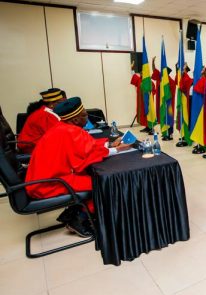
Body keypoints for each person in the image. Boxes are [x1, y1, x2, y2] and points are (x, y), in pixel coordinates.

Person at [25, 97, 132, 237]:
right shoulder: (71, 131)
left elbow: (86, 146)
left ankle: (73, 211)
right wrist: (117, 150)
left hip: (40, 180)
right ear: (75, 120)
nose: (87, 117)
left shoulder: (61, 127)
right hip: (49, 184)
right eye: (85, 114)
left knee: (91, 176)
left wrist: (110, 144)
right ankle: (79, 218)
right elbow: (84, 158)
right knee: (104, 182)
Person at [18, 88, 66, 154]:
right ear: (51, 103)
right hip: (32, 148)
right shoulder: (45, 115)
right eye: (60, 103)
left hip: (36, 145)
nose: (62, 105)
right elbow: (57, 134)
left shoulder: (44, 112)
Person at [152, 56, 176, 140]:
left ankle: (170, 134)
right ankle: (165, 132)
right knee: (163, 117)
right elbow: (155, 72)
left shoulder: (171, 81)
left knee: (169, 117)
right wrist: (153, 63)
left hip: (169, 104)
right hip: (162, 103)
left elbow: (171, 94)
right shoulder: (160, 79)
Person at [130, 61, 152, 133]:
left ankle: (150, 128)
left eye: (142, 73)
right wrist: (131, 68)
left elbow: (152, 90)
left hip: (147, 101)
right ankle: (146, 127)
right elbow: (134, 76)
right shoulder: (139, 79)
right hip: (141, 101)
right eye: (140, 73)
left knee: (148, 113)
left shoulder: (148, 81)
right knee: (143, 114)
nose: (141, 74)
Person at [176, 63, 193, 147]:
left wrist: (183, 73)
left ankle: (187, 136)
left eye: (183, 69)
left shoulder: (188, 79)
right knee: (183, 119)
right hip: (185, 102)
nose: (182, 71)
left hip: (189, 103)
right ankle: (184, 135)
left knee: (187, 120)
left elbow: (183, 87)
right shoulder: (184, 78)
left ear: (186, 71)